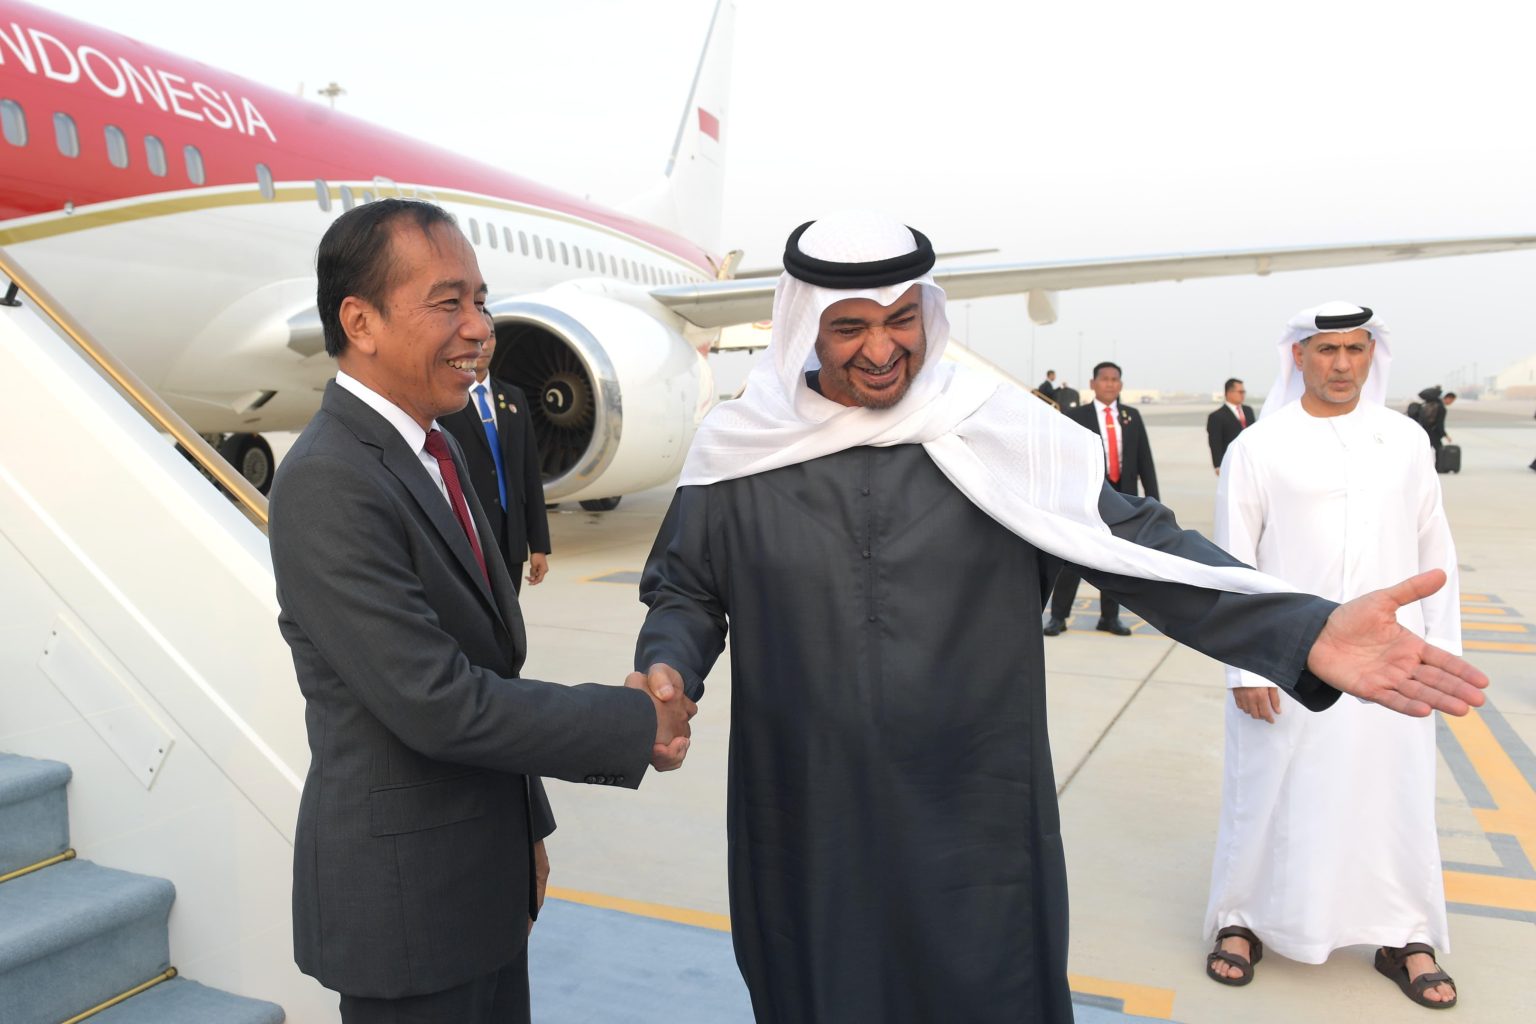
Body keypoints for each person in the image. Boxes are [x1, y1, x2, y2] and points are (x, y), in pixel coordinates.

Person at [631, 211, 1486, 1024]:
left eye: (901, 319)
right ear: (804, 328)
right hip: (806, 805)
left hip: (975, 813)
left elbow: (1145, 552)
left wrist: (1302, 627)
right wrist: (670, 664)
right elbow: (688, 591)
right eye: (850, 327)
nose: (883, 348)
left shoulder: (993, 434)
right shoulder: (740, 452)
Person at [267, 199, 694, 1024]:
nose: (481, 330)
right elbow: (438, 702)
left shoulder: (438, 448)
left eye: (482, 300)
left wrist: (523, 825)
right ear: (361, 320)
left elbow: (492, 664)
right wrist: (632, 721)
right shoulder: (329, 481)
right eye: (448, 302)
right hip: (406, 916)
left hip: (481, 882)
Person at [1203, 302, 1461, 1010]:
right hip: (1289, 660)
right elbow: (1233, 563)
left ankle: (1401, 932)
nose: (1342, 365)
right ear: (1297, 356)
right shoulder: (1260, 446)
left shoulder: (1406, 440)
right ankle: (1243, 920)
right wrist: (1245, 665)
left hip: (1391, 664)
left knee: (1393, 797)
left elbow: (1435, 551)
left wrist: (1437, 655)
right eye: (1326, 350)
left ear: (1373, 353)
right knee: (1270, 794)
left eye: (1355, 349)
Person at [1043, 360, 1159, 636]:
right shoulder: (1076, 415)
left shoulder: (1132, 416)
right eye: (1104, 379)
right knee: (1072, 561)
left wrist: (1153, 499)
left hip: (1123, 499)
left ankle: (1109, 617)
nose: (1110, 383)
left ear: (1121, 385)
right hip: (1085, 500)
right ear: (1093, 384)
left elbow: (1145, 459)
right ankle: (1058, 616)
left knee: (1117, 561)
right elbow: (1064, 459)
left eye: (1115, 379)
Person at [440, 332, 551, 593]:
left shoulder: (514, 398)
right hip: (469, 533)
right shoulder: (446, 402)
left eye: (489, 336)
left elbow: (530, 474)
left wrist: (538, 546)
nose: (483, 345)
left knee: (509, 618)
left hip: (510, 535)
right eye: (477, 339)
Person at [1206, 377, 1254, 473]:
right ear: (1229, 393)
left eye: (1244, 392)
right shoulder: (1216, 416)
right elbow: (1215, 443)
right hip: (1230, 462)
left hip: (1250, 461)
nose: (1243, 395)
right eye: (1240, 392)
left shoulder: (1248, 410)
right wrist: (1218, 466)